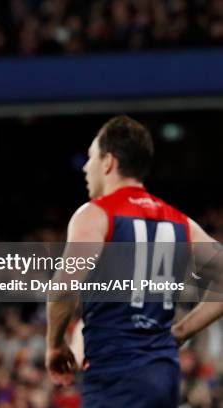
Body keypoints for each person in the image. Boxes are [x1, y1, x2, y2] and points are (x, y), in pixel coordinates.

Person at [45, 115, 222, 407]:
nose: (85, 167)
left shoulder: (95, 215)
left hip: (115, 374)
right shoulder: (180, 222)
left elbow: (63, 290)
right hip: (164, 374)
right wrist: (179, 332)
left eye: (90, 158)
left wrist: (53, 345)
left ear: (108, 162)